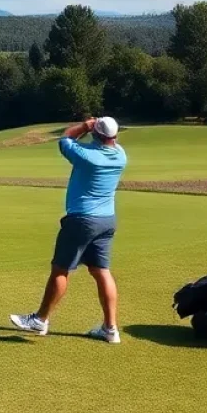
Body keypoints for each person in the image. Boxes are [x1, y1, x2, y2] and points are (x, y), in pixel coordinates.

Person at [10, 115, 127, 343]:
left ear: (96, 133)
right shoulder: (121, 155)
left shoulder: (87, 156)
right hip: (107, 220)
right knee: (101, 271)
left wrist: (84, 126)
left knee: (60, 269)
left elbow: (65, 138)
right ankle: (110, 328)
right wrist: (95, 130)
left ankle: (40, 320)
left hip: (82, 220)